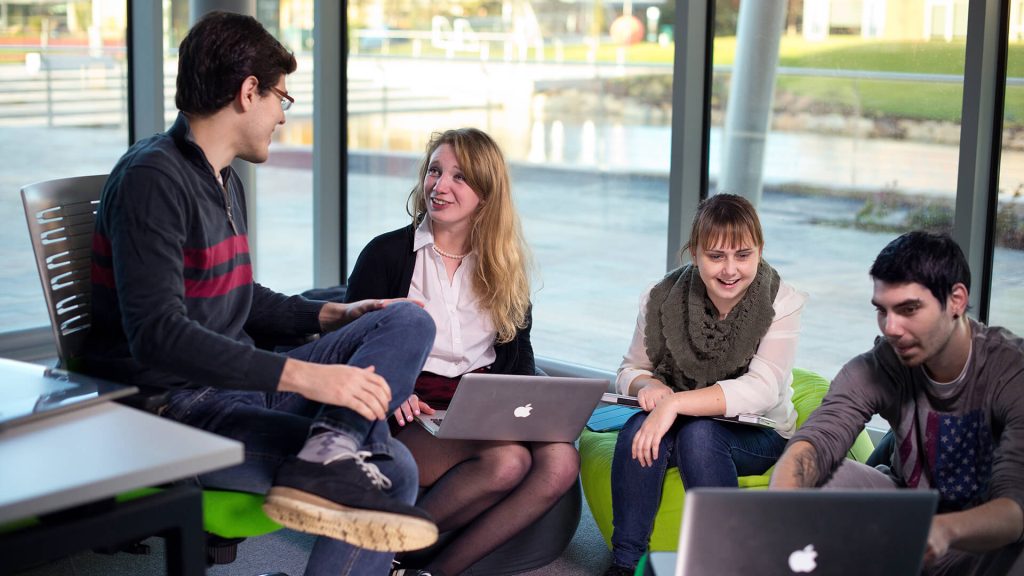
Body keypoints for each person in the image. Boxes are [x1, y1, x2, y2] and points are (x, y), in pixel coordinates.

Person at [81, 11, 438, 575]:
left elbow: (238, 294)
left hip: (239, 387)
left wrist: (334, 314)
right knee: (394, 469)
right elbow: (158, 337)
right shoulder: (153, 178)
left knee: (408, 322)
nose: (282, 117)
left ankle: (328, 455)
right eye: (281, 99)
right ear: (249, 92)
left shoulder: (223, 177)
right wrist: (309, 377)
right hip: (176, 409)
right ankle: (331, 457)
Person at [345, 128, 579, 576]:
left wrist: (524, 409)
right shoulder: (386, 255)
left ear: (486, 195)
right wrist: (394, 388)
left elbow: (519, 363)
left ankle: (430, 572)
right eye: (435, 171)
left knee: (562, 459)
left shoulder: (504, 268)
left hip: (479, 405)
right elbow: (350, 346)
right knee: (508, 460)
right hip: (408, 412)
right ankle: (387, 551)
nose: (440, 185)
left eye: (459, 177)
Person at [770, 231, 1024, 575]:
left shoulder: (1010, 370)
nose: (892, 328)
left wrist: (943, 531)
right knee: (825, 477)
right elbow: (814, 443)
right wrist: (774, 515)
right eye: (882, 311)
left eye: (908, 309)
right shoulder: (881, 365)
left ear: (956, 300)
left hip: (979, 541)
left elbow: (1014, 509)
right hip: (906, 516)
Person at [604, 193, 807, 576]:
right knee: (636, 432)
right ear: (695, 253)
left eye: (743, 255)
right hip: (680, 416)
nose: (730, 269)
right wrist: (648, 386)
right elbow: (631, 369)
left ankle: (726, 563)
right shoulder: (660, 296)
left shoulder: (783, 301)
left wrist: (674, 404)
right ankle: (625, 562)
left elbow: (762, 390)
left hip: (758, 431)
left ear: (759, 251)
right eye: (716, 256)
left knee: (700, 435)